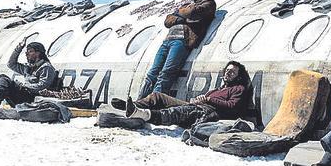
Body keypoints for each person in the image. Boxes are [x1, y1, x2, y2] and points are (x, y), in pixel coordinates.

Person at [98, 61, 254, 129]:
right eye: (227, 70)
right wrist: (200, 98)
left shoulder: (238, 89)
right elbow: (209, 99)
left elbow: (233, 107)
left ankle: (142, 114)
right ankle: (133, 106)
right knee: (158, 96)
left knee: (178, 112)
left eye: (232, 71)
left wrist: (208, 99)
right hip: (198, 105)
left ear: (238, 76)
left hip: (208, 113)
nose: (228, 72)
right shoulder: (217, 88)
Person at [139, 0, 217, 98]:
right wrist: (183, 16)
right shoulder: (186, 5)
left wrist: (180, 13)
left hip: (182, 41)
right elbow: (168, 20)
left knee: (167, 72)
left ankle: (153, 101)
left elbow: (193, 12)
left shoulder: (209, 3)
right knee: (153, 72)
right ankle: (141, 100)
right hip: (168, 40)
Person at [0, 41, 60, 111]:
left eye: (30, 52)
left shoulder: (46, 67)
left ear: (38, 53)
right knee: (2, 77)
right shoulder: (28, 68)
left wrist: (24, 86)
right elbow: (11, 64)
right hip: (22, 96)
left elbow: (43, 86)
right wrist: (19, 48)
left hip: (30, 99)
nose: (27, 54)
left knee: (5, 80)